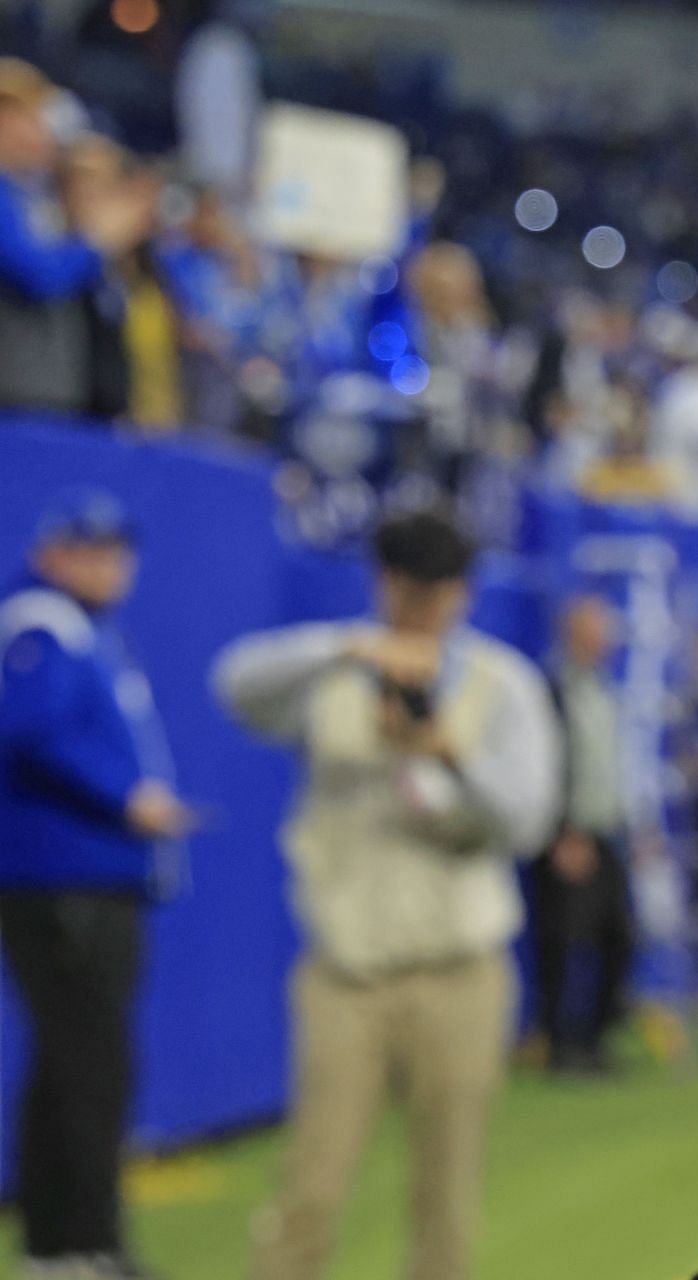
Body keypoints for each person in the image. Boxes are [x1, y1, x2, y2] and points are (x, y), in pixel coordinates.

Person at [213, 509, 559, 1280]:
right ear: (384, 586)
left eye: (440, 595)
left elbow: (530, 822)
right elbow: (233, 685)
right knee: (310, 1188)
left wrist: (454, 758)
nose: (425, 612)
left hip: (460, 972)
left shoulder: (504, 683)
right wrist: (345, 646)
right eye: (410, 594)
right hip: (346, 973)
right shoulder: (335, 669)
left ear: (462, 594)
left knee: (445, 1198)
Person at [0, 488, 189, 1280]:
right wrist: (123, 798)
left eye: (118, 549)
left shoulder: (80, 629)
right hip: (66, 882)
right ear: (53, 552)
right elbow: (27, 730)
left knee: (76, 1063)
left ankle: (62, 1244)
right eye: (92, 548)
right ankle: (80, 1247)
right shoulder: (43, 625)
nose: (111, 564)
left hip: (87, 880)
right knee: (89, 1067)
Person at [0, 58, 153, 416]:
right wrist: (99, 240)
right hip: (16, 396)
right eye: (34, 117)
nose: (43, 130)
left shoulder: (28, 195)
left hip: (48, 395)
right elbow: (40, 275)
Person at [529, 593, 637, 1074]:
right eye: (596, 630)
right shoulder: (551, 689)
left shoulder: (601, 687)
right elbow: (542, 768)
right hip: (567, 834)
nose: (605, 640)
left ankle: (595, 1039)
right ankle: (558, 1046)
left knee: (621, 938)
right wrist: (559, 832)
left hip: (606, 829)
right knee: (561, 942)